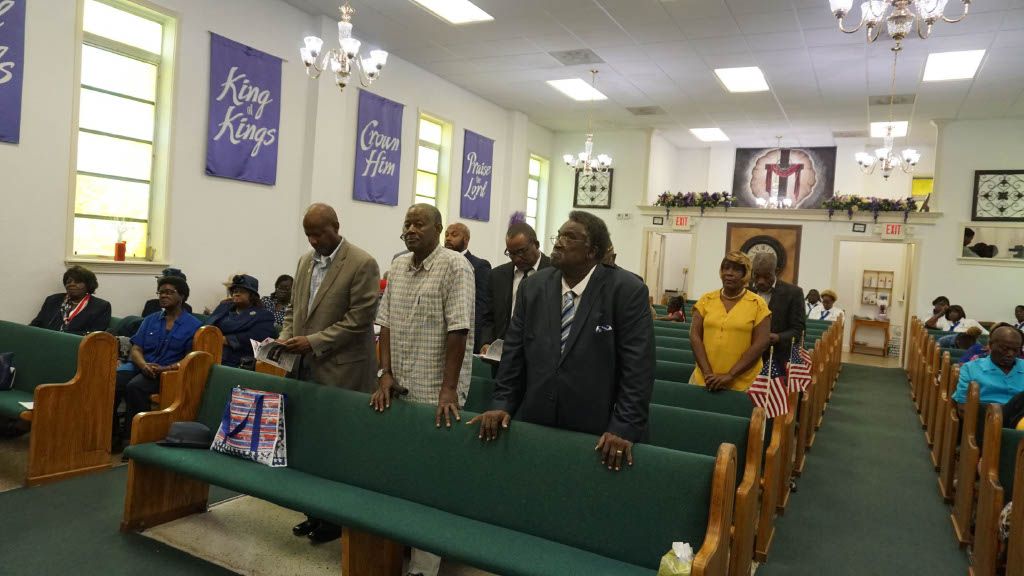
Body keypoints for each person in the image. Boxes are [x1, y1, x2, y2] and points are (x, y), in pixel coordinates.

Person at [469, 211, 654, 472]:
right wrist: (502, 405)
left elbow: (638, 369)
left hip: (597, 432)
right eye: (559, 235)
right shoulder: (534, 287)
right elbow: (514, 354)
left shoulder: (626, 290)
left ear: (592, 251)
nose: (558, 242)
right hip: (537, 422)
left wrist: (623, 428)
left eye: (569, 237)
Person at [371, 203, 474, 576]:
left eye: (420, 223)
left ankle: (423, 567)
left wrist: (449, 389)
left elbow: (458, 330)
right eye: (407, 223)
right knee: (400, 471)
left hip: (436, 391)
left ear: (438, 229)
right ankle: (401, 544)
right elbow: (385, 324)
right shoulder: (398, 265)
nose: (411, 229)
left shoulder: (455, 267)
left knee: (430, 478)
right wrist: (385, 373)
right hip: (399, 385)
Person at [280, 203, 380, 544]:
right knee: (309, 445)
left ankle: (336, 518)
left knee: (338, 448)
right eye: (308, 234)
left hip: (342, 371)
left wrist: (313, 342)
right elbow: (294, 309)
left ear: (336, 226)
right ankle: (314, 512)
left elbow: (359, 320)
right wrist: (282, 340)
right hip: (304, 366)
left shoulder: (362, 263)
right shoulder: (304, 262)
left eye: (319, 233)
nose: (313, 240)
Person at [115, 276, 201, 451]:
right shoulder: (150, 319)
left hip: (168, 373)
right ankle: (112, 436)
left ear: (182, 296)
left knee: (135, 387)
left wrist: (165, 368)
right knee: (111, 382)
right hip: (142, 366)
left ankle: (134, 439)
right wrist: (143, 365)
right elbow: (136, 349)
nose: (163, 295)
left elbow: (189, 359)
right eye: (161, 292)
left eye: (169, 292)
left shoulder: (194, 326)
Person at [690, 251, 771, 392]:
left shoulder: (758, 304)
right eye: (726, 268)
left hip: (744, 382)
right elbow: (695, 336)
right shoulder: (706, 300)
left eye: (736, 270)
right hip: (704, 379)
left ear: (746, 274)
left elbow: (761, 343)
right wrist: (707, 373)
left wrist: (731, 375)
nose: (729, 273)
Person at [480, 221, 551, 350]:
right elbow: (488, 316)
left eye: (522, 251)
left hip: (540, 353)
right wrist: (486, 342)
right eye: (511, 253)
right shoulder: (497, 275)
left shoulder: (555, 272)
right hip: (503, 354)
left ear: (536, 244)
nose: (517, 258)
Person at [751, 252, 806, 372]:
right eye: (756, 276)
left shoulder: (793, 293)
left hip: (777, 359)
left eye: (766, 277)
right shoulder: (746, 292)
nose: (760, 281)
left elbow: (798, 330)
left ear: (776, 271)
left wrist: (778, 337)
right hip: (748, 359)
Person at [207, 275, 276, 368]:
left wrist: (225, 339)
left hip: (239, 361)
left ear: (252, 295)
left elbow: (256, 338)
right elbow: (208, 325)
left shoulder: (264, 315)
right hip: (212, 352)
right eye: (235, 291)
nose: (237, 294)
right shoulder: (224, 307)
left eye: (242, 291)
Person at [444, 222, 491, 353]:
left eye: (454, 235)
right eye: (446, 235)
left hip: (466, 334)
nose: (448, 238)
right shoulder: (441, 263)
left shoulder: (479, 265)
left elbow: (481, 305)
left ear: (466, 239)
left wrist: (476, 339)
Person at [952, 325, 1024, 406]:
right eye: (1005, 349)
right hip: (984, 412)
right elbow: (962, 406)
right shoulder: (970, 368)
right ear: (991, 345)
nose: (1010, 354)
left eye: (1016, 350)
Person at [30, 265, 111, 335]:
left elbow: (95, 335)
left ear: (88, 285)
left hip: (77, 345)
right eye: (69, 282)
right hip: (47, 342)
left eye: (78, 282)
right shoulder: (52, 300)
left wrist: (64, 336)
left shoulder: (101, 306)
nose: (72, 284)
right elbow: (36, 324)